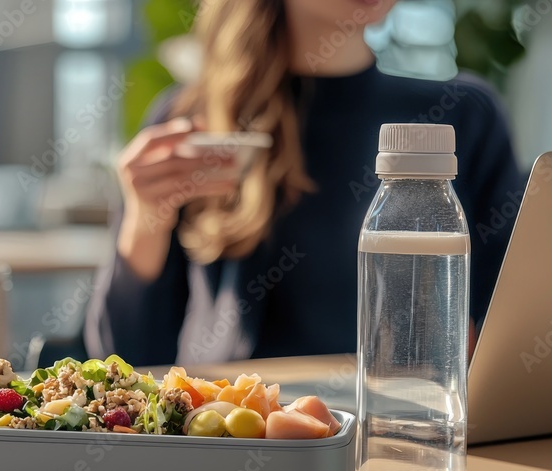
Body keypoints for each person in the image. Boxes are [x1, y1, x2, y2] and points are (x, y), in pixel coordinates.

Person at [85, 0, 523, 366]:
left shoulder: (462, 118)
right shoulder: (192, 124)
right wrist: (145, 221)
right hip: (224, 427)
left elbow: (511, 331)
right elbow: (126, 361)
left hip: (393, 431)